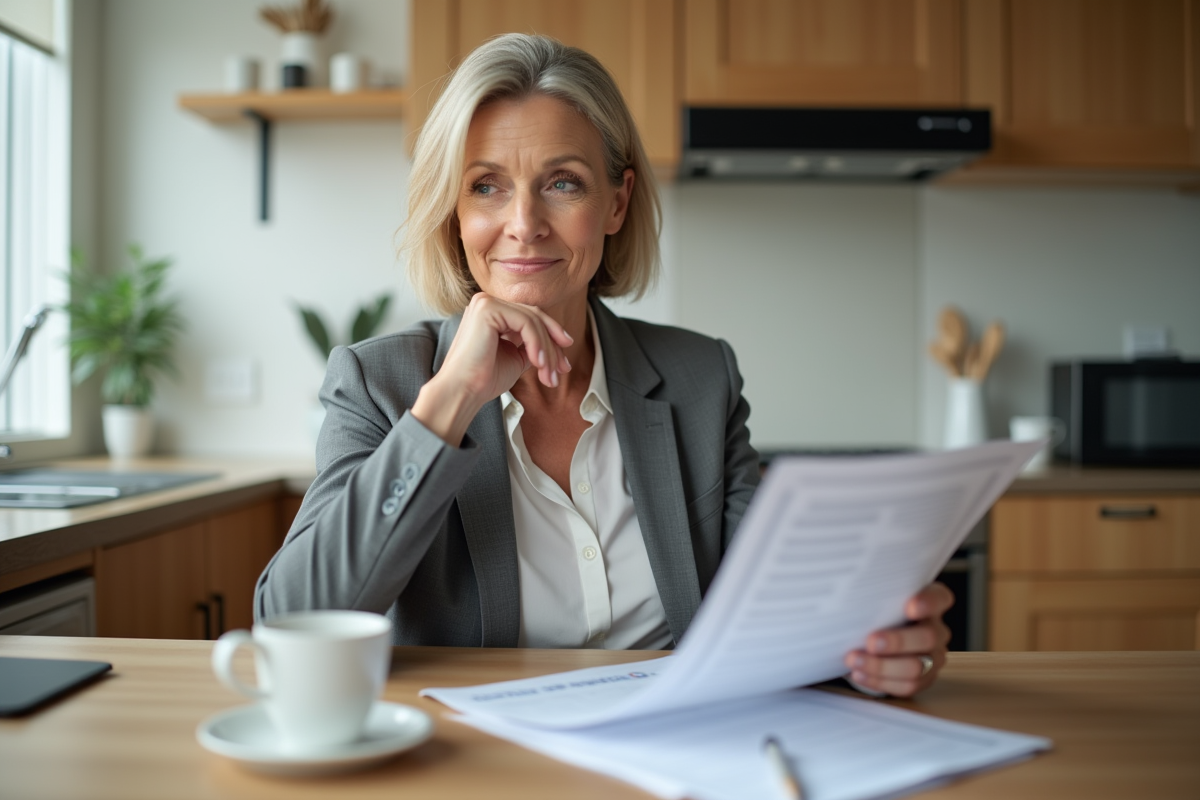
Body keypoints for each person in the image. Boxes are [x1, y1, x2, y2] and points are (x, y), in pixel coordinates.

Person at [255, 33, 952, 697]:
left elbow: (770, 607)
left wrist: (867, 647)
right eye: (487, 187)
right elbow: (287, 620)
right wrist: (451, 402)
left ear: (616, 203)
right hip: (475, 763)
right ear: (453, 213)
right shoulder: (380, 385)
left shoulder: (699, 378)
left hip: (670, 751)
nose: (524, 222)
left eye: (562, 183)